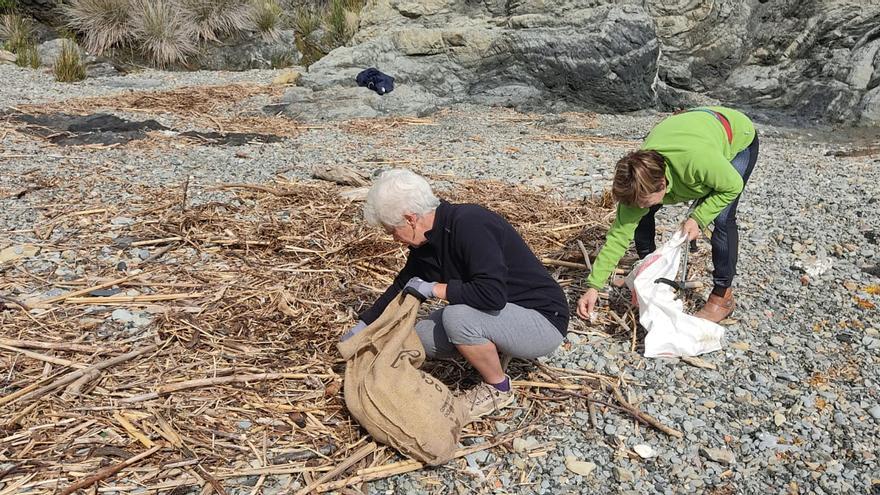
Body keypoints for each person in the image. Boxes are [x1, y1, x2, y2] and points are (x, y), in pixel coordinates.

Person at [343, 169, 569, 420]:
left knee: (456, 317)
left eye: (392, 230)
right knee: (422, 337)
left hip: (542, 321)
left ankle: (498, 388)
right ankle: (493, 347)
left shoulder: (471, 224)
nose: (394, 238)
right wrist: (363, 325)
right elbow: (402, 285)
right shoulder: (426, 242)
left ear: (410, 219)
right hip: (504, 315)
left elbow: (491, 295)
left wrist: (433, 289)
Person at [577, 106, 759, 323]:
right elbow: (618, 237)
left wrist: (698, 219)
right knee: (642, 215)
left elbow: (732, 186)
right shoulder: (638, 182)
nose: (637, 206)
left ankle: (722, 296)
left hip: (735, 135)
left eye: (643, 201)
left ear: (663, 184)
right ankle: (649, 273)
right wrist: (593, 286)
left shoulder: (696, 162)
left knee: (721, 219)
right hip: (691, 128)